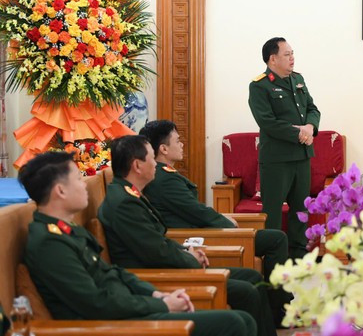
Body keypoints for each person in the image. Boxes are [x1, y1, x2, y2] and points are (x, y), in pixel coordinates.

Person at [19, 151, 256, 336]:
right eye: (78, 179)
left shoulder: (66, 230)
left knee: (243, 319)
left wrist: (158, 295)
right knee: (233, 323)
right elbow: (96, 302)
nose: (84, 185)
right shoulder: (49, 243)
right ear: (60, 190)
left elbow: (113, 273)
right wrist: (162, 306)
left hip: (128, 309)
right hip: (113, 325)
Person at [98, 135, 277, 336]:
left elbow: (158, 240)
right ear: (137, 166)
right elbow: (156, 253)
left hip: (167, 265)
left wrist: (187, 250)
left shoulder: (129, 194)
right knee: (246, 293)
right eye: (151, 159)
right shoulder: (124, 203)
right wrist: (189, 259)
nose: (155, 164)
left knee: (252, 277)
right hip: (159, 275)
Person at [140, 119, 290, 321]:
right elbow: (197, 212)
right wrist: (228, 224)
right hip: (196, 236)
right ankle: (278, 309)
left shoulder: (164, 175)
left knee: (275, 238)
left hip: (200, 230)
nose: (182, 144)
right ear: (164, 149)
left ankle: (277, 305)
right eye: (178, 140)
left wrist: (223, 218)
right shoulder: (164, 180)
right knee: (276, 239)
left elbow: (193, 210)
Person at [248, 37, 321, 259]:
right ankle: (272, 262)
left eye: (292, 53)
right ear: (273, 59)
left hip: (301, 157)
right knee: (272, 214)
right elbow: (267, 122)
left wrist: (309, 126)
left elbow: (312, 108)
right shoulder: (259, 85)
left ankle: (299, 257)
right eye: (287, 54)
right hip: (277, 160)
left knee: (301, 210)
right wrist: (299, 133)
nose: (292, 58)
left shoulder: (297, 79)